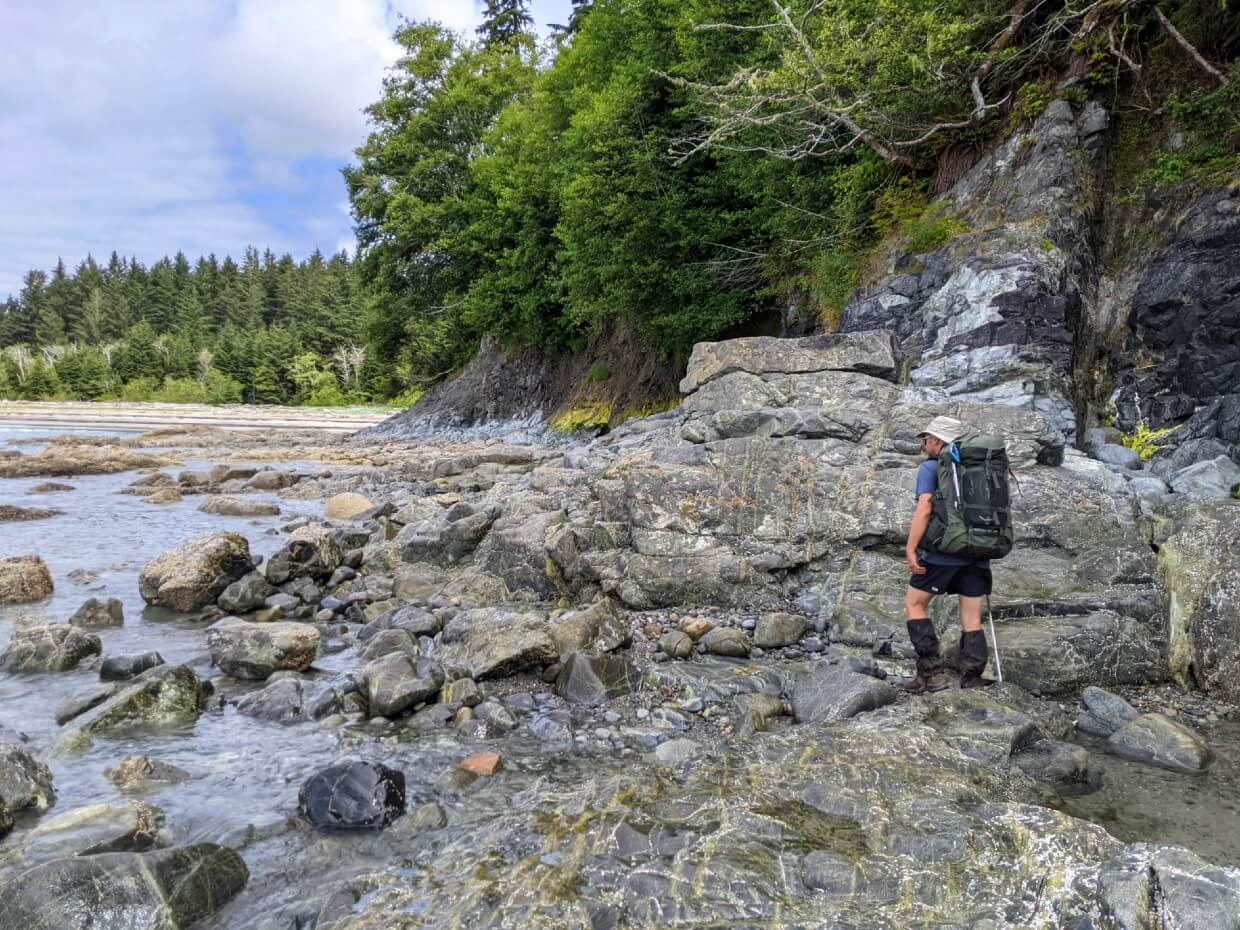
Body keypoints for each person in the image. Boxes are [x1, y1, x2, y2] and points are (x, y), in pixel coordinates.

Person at [903, 415, 995, 693]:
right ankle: (972, 677)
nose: (924, 443)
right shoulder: (982, 467)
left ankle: (931, 675)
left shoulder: (932, 468)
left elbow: (925, 509)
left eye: (928, 438)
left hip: (943, 553)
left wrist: (910, 548)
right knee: (971, 616)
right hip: (979, 552)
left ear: (938, 441)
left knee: (915, 604)